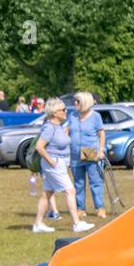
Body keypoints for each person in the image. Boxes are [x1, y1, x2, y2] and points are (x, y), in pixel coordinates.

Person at [32, 99, 92, 234]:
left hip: (59, 163)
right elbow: (39, 146)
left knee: (47, 194)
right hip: (54, 164)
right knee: (70, 191)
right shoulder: (49, 127)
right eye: (63, 110)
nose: (66, 112)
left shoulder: (58, 126)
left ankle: (38, 224)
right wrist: (51, 161)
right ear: (54, 113)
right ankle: (77, 224)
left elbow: (58, 141)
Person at [69, 91, 106, 218]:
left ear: (85, 102)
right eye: (75, 100)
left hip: (91, 152)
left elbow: (101, 133)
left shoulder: (96, 116)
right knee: (78, 183)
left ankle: (99, 208)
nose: (75, 103)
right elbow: (67, 130)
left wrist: (101, 150)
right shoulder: (72, 115)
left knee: (95, 182)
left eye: (78, 101)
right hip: (74, 154)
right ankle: (80, 209)